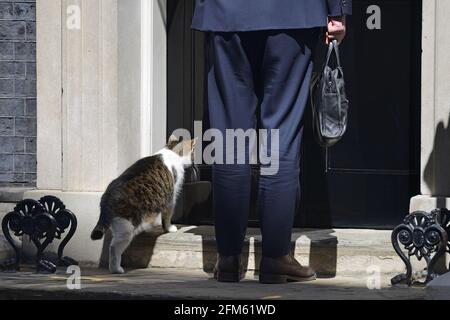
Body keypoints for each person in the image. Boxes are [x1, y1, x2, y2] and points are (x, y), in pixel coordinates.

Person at [192, 0, 352, 284]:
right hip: (293, 14)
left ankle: (229, 257)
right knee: (281, 136)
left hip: (226, 14)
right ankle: (275, 258)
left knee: (230, 139)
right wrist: (337, 10)